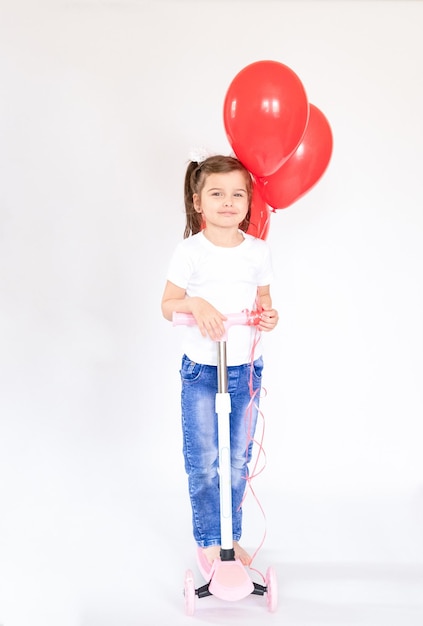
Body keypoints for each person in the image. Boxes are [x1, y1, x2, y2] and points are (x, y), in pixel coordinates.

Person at [161, 155, 278, 567]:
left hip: (245, 367)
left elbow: (263, 301)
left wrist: (268, 315)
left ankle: (231, 536)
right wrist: (194, 302)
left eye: (237, 194)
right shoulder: (190, 251)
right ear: (198, 202)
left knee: (236, 461)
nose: (228, 202)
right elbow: (167, 305)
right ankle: (211, 540)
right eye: (217, 194)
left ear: (248, 202)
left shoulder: (258, 252)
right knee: (206, 460)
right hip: (202, 369)